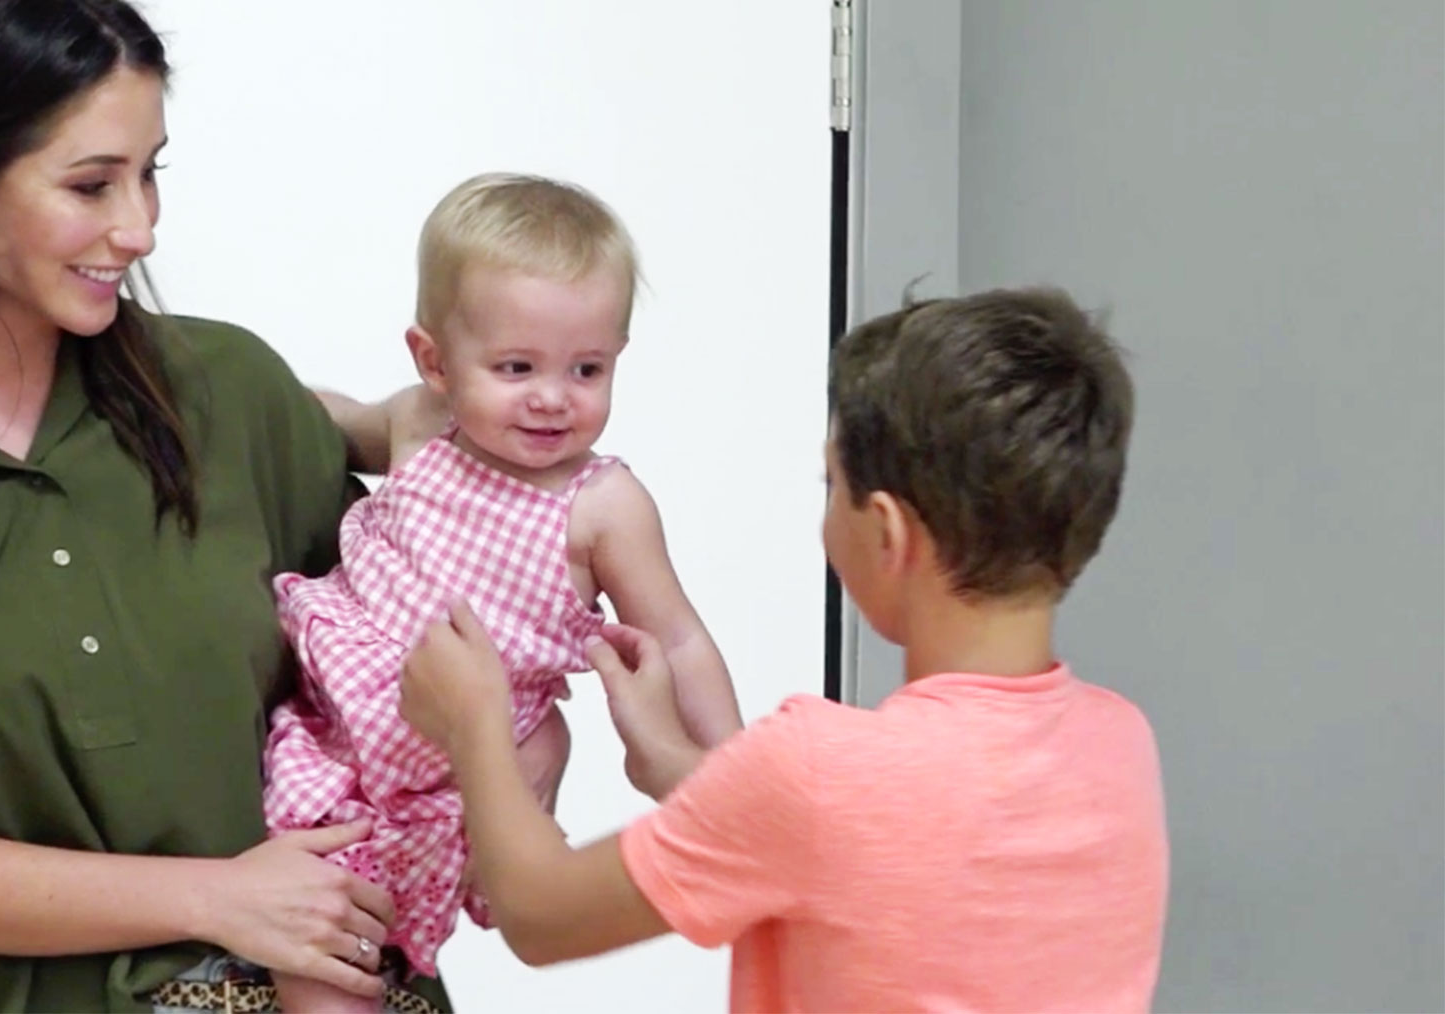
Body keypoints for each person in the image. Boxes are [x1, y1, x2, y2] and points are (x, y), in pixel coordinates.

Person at [0, 0, 566, 1014]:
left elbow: (407, 659)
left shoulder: (224, 391)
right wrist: (218, 899)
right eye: (90, 183)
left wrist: (531, 741)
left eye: (149, 171)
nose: (139, 228)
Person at [400, 287, 1171, 1012]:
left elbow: (541, 916)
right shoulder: (1120, 745)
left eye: (829, 484)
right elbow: (876, 849)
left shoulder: (816, 768)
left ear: (887, 532)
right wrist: (674, 761)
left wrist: (475, 723)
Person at [261, 172, 744, 1012]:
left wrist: (728, 771)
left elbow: (680, 641)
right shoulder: (419, 423)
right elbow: (327, 422)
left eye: (586, 368)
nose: (553, 397)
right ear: (434, 361)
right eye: (517, 367)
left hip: (458, 776)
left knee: (367, 961)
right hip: (336, 739)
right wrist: (246, 399)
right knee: (315, 951)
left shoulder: (601, 506)